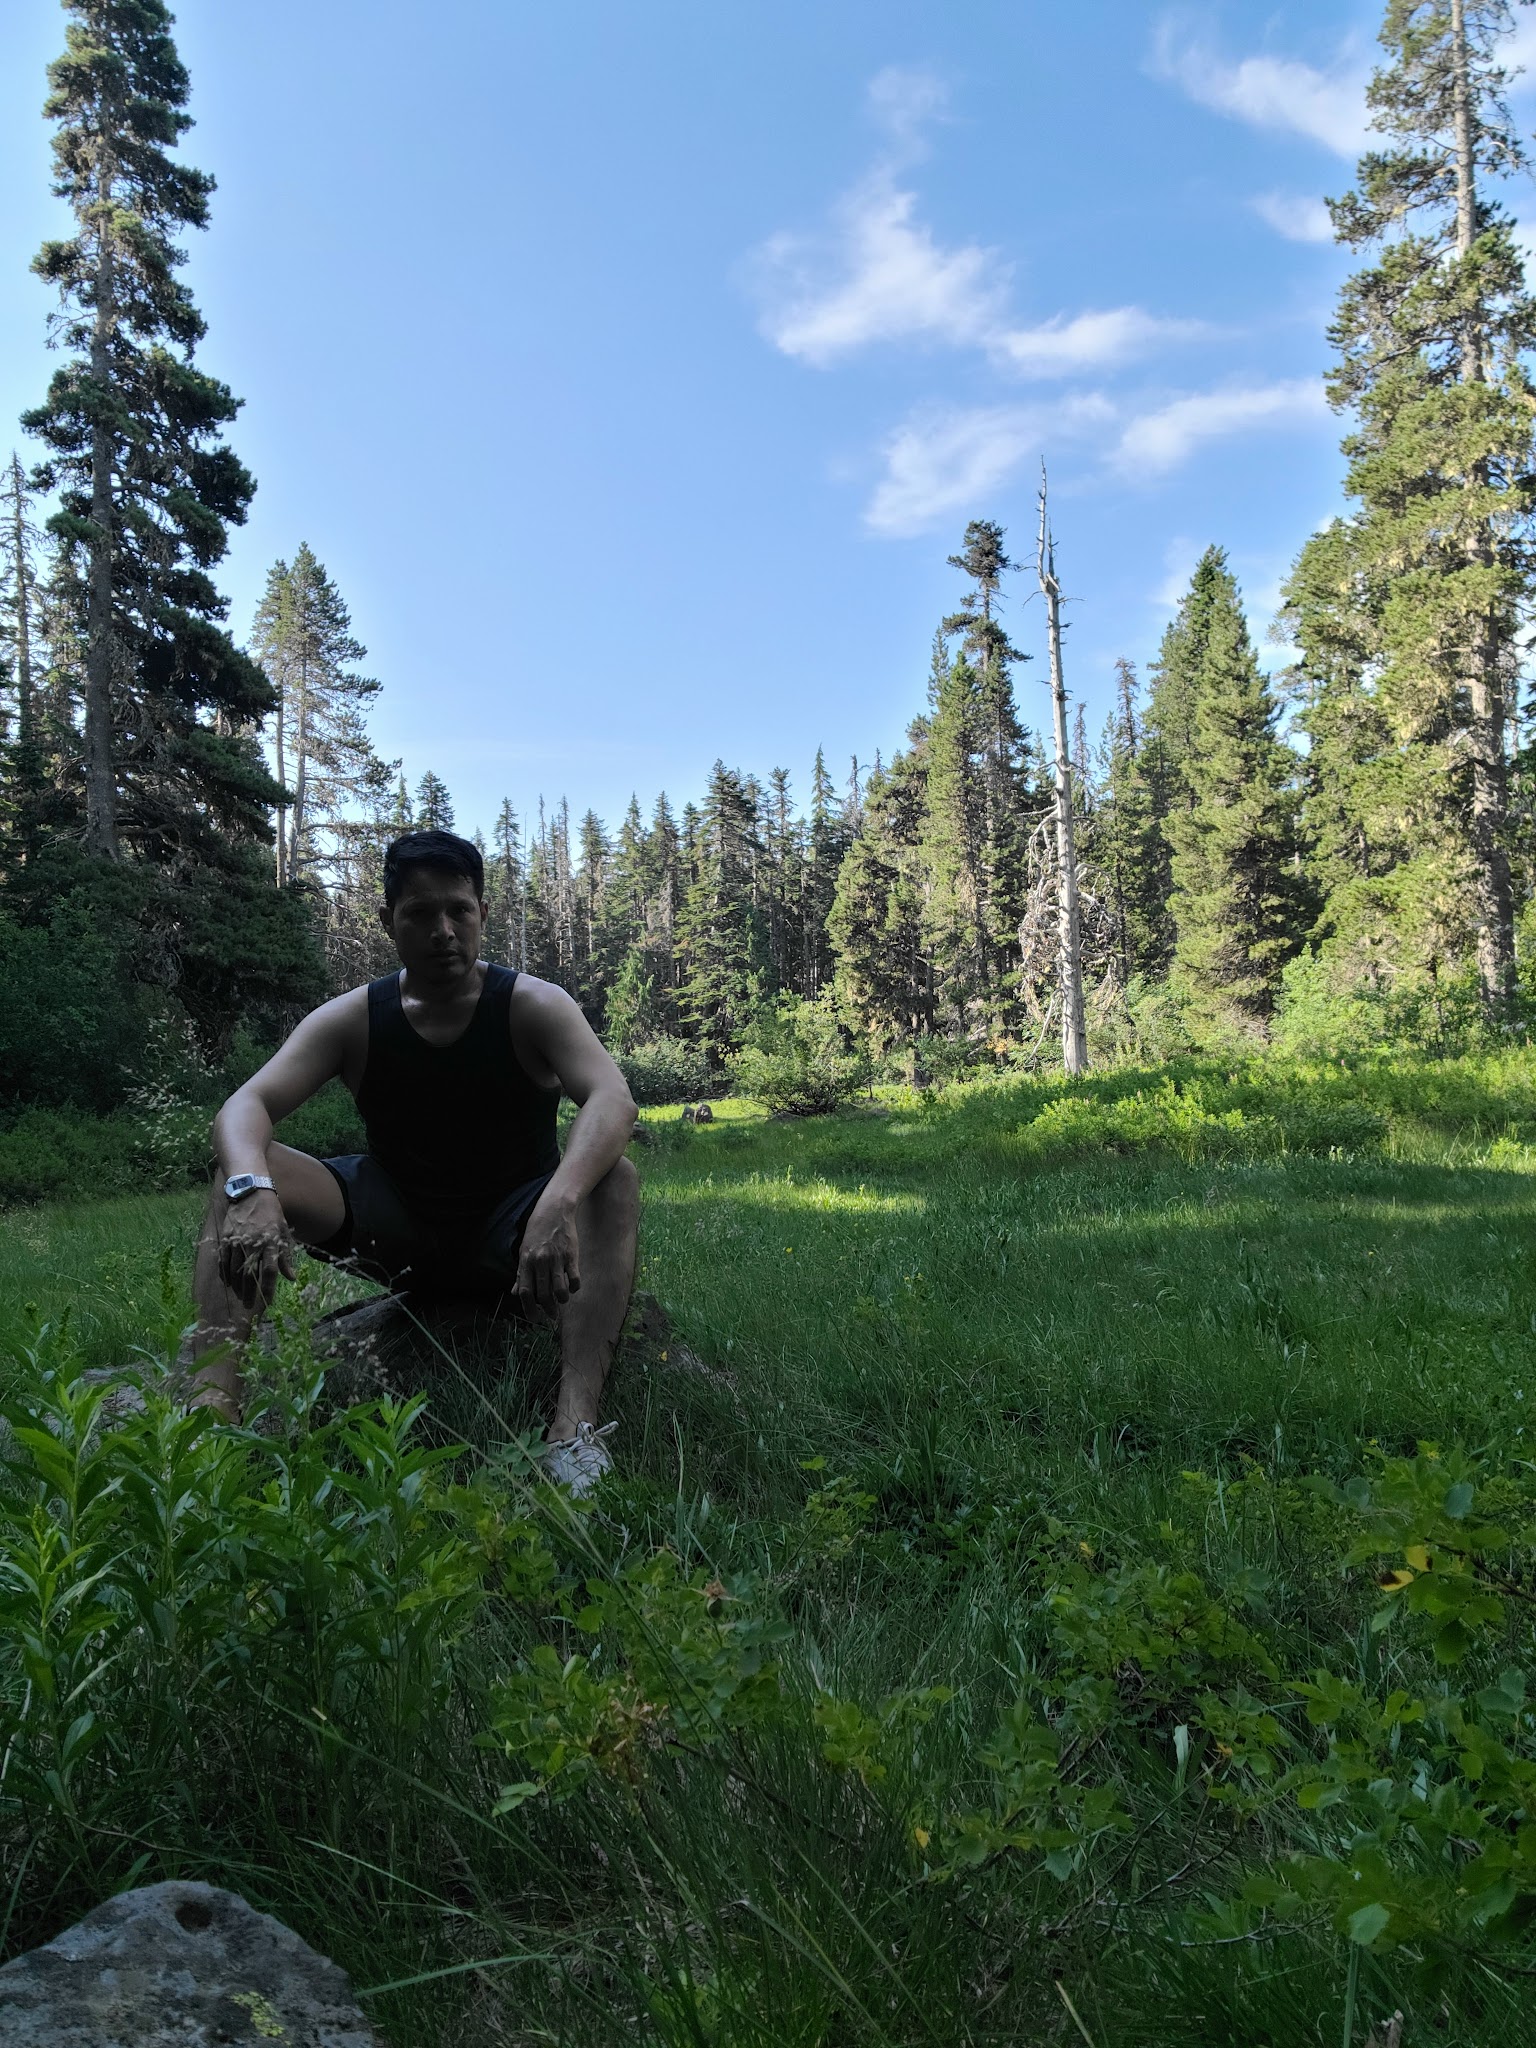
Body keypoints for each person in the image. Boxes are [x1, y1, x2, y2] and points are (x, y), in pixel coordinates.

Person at [189, 828, 639, 1496]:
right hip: (394, 1225)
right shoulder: (354, 1019)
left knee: (615, 1181)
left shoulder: (532, 1006)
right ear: (386, 923)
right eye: (420, 914)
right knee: (242, 1172)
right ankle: (209, 1416)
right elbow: (244, 1105)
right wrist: (254, 1188)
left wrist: (559, 1200)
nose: (443, 930)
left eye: (459, 909)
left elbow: (613, 1099)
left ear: (483, 914)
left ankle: (572, 1431)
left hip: (515, 1230)